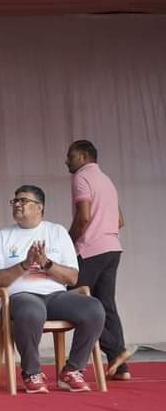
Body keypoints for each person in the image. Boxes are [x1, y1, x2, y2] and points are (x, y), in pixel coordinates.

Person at [0, 185, 105, 394]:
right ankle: (32, 373)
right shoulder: (2, 236)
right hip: (19, 298)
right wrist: (24, 265)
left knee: (93, 308)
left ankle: (72, 371)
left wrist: (46, 264)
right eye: (15, 201)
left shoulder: (57, 232)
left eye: (23, 201)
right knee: (32, 310)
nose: (17, 205)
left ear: (40, 207)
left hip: (55, 297)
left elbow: (72, 277)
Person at [66, 140, 132, 380]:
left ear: (83, 157)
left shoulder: (81, 177)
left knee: (69, 298)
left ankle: (116, 350)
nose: (67, 161)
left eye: (70, 156)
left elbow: (83, 217)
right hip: (112, 248)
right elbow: (120, 220)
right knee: (107, 304)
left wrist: (67, 241)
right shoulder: (106, 181)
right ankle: (120, 367)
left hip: (91, 249)